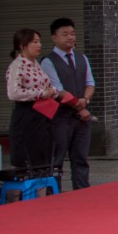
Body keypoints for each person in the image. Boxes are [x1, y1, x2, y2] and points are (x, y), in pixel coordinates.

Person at [41, 17, 95, 189]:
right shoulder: (48, 61)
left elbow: (90, 83)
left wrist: (85, 99)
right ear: (54, 38)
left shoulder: (82, 58)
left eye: (72, 33)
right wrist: (79, 106)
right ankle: (54, 194)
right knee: (56, 159)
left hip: (81, 119)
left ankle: (82, 193)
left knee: (81, 158)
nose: (70, 37)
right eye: (65, 34)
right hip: (60, 118)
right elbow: (57, 90)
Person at [6, 28, 59, 175]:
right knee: (27, 160)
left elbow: (46, 86)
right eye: (35, 42)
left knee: (43, 158)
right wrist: (41, 93)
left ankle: (43, 186)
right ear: (22, 45)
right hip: (26, 116)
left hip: (42, 115)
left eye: (39, 41)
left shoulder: (36, 63)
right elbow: (13, 93)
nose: (39, 45)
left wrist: (52, 91)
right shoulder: (17, 66)